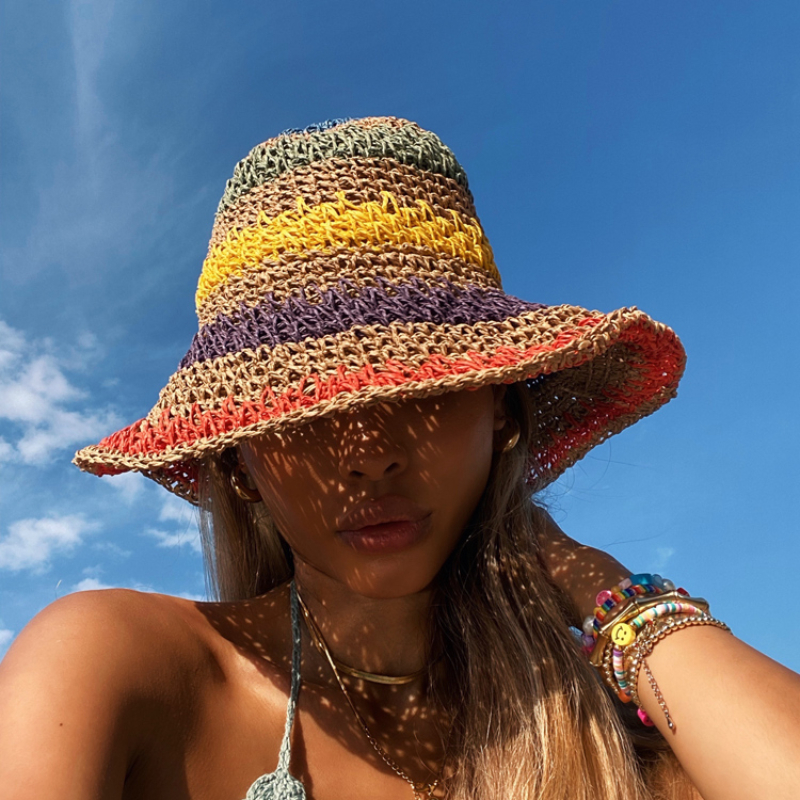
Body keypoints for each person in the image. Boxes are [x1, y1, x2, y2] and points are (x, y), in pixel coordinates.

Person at [0, 116, 797, 800]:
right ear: (238, 463)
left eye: (426, 391)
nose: (368, 455)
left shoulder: (605, 718)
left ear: (501, 415)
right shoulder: (120, 667)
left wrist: (600, 584)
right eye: (302, 407)